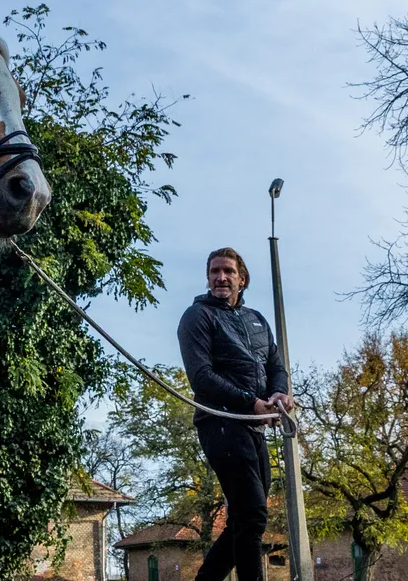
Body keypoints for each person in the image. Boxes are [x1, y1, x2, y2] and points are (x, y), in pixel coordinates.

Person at [176, 247, 294, 581]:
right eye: (215, 271)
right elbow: (201, 377)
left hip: (253, 427)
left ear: (242, 278)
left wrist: (279, 393)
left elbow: (275, 365)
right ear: (208, 278)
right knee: (253, 513)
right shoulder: (197, 317)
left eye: (228, 271)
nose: (221, 277)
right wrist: (250, 403)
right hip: (221, 425)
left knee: (245, 518)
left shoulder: (257, 320)